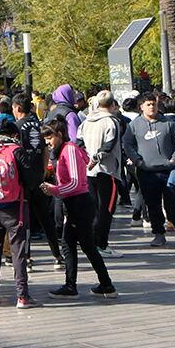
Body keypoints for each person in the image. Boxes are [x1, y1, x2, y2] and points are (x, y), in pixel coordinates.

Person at [41, 117, 116, 299]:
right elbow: (88, 161)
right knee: (73, 244)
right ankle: (97, 284)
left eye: (49, 138)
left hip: (79, 202)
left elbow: (74, 183)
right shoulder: (68, 150)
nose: (47, 142)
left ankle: (86, 285)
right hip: (75, 203)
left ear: (59, 135)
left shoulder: (69, 150)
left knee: (83, 245)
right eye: (45, 139)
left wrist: (55, 190)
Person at [123, 92, 175, 249]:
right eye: (148, 104)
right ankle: (158, 234)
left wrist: (173, 159)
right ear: (141, 107)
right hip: (146, 171)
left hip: (168, 171)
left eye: (154, 104)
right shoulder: (134, 126)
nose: (152, 107)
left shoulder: (168, 123)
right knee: (153, 205)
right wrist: (138, 161)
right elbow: (128, 145)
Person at [0, 120, 37, 309]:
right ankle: (22, 296)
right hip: (14, 207)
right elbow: (31, 179)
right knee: (18, 251)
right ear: (14, 135)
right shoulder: (16, 151)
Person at [11, 93, 64, 267]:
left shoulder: (16, 127)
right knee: (45, 219)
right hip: (39, 178)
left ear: (18, 108)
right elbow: (46, 151)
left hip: (23, 180)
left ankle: (26, 258)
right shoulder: (40, 125)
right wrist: (42, 172)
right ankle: (57, 256)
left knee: (24, 220)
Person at [79, 90, 122, 258]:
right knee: (106, 209)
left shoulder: (86, 122)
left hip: (88, 172)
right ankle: (101, 244)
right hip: (107, 170)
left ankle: (92, 242)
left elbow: (79, 142)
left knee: (94, 209)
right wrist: (95, 159)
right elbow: (109, 145)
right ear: (112, 105)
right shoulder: (112, 122)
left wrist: (86, 160)